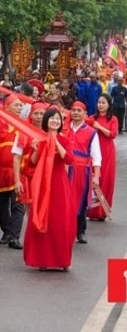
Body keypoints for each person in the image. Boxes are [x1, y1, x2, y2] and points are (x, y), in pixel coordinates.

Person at [20, 108, 76, 270]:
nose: (55, 121)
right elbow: (31, 163)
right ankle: (42, 259)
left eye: (58, 119)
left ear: (61, 122)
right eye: (52, 118)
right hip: (42, 183)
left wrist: (56, 142)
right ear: (46, 121)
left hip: (59, 184)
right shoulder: (38, 139)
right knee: (43, 218)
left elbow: (69, 159)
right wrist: (36, 151)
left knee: (61, 222)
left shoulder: (65, 140)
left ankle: (62, 260)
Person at [0, 94, 25, 250]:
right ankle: (6, 232)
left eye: (21, 105)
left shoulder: (24, 125)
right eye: (16, 105)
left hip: (19, 171)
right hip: (1, 170)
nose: (19, 108)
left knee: (18, 204)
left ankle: (14, 236)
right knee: (2, 204)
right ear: (6, 106)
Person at [64, 101, 101, 244]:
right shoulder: (64, 129)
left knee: (80, 200)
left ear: (85, 114)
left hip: (82, 171)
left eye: (79, 110)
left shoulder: (91, 132)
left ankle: (81, 231)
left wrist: (96, 176)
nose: (75, 113)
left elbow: (97, 157)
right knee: (66, 199)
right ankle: (67, 229)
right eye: (73, 110)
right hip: (66, 169)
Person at [87, 95, 117, 221]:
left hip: (107, 151)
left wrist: (98, 127)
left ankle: (102, 211)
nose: (100, 105)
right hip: (93, 151)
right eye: (99, 102)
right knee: (93, 178)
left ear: (109, 105)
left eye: (103, 103)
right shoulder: (91, 118)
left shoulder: (113, 119)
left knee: (106, 179)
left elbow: (112, 134)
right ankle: (91, 210)